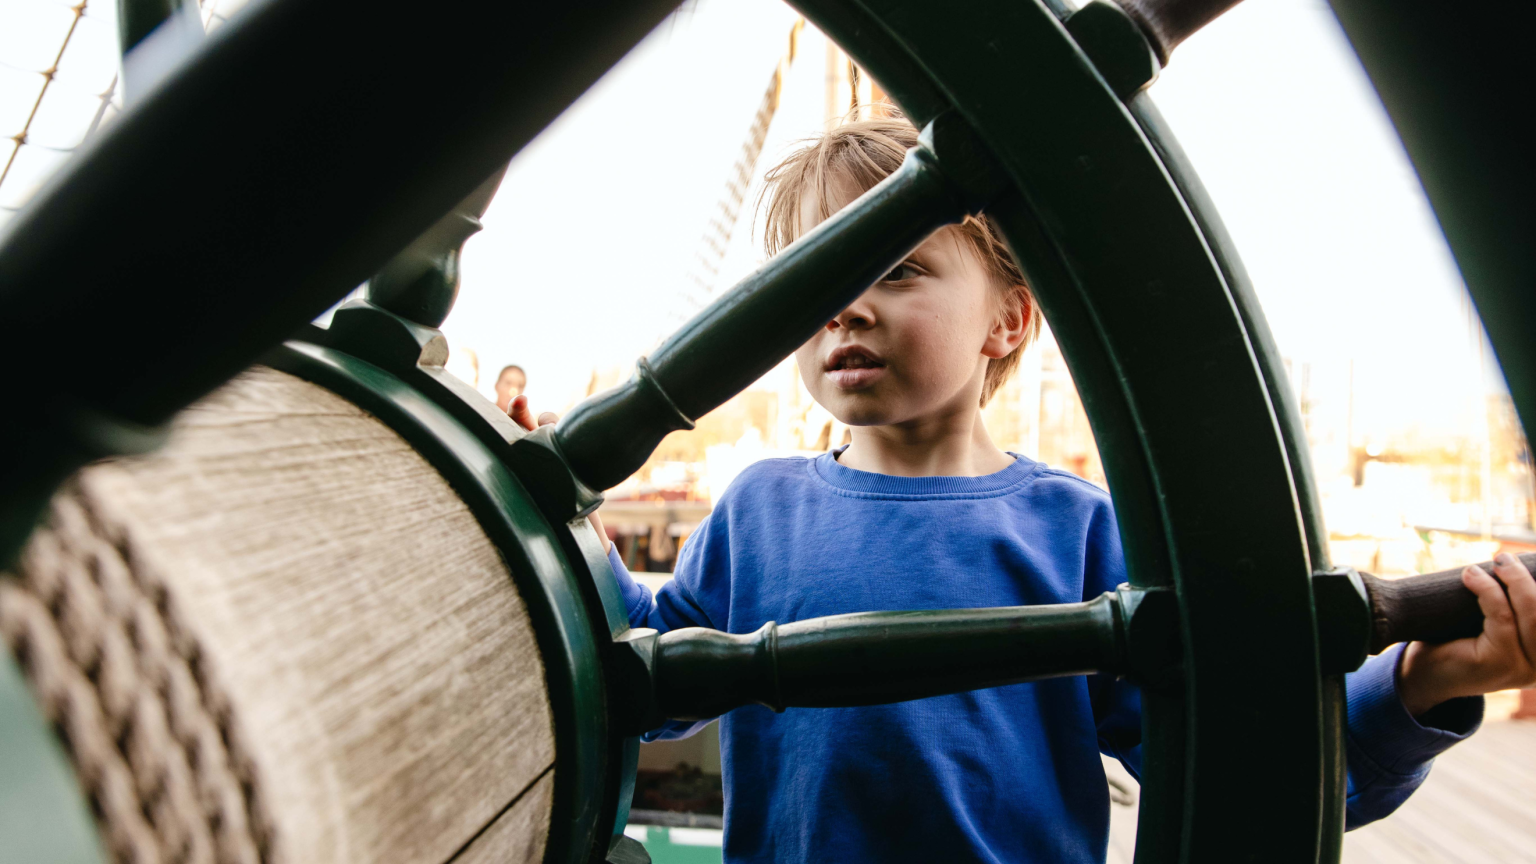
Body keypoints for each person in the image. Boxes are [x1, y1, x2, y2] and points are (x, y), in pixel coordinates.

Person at [509, 113, 1536, 863]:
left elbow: (1250, 756)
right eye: (809, 283)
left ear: (1007, 322)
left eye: (899, 269)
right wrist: (560, 526)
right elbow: (642, 683)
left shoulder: (1078, 532)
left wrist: (1421, 685)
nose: (844, 311)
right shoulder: (753, 511)